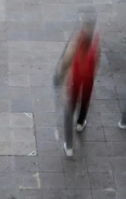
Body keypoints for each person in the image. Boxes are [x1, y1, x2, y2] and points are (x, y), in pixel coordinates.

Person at [54, 20, 100, 157]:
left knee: (69, 111)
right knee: (85, 101)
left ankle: (69, 145)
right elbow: (97, 61)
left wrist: (61, 73)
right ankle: (80, 123)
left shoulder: (77, 43)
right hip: (88, 81)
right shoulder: (95, 44)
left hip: (75, 80)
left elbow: (67, 59)